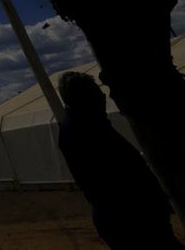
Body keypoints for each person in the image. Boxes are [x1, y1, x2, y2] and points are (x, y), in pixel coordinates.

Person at [56, 71, 184, 250]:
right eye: (96, 92)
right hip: (133, 218)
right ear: (84, 98)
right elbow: (119, 176)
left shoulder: (80, 126)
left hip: (124, 218)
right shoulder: (88, 130)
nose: (103, 96)